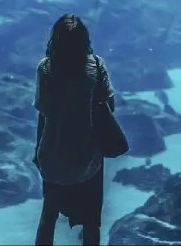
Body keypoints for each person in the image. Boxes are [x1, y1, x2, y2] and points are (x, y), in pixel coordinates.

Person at [33, 14, 115, 246]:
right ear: (84, 39)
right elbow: (110, 106)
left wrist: (37, 153)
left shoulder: (45, 68)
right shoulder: (96, 65)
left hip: (53, 154)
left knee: (48, 216)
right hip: (88, 156)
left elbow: (43, 112)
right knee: (91, 223)